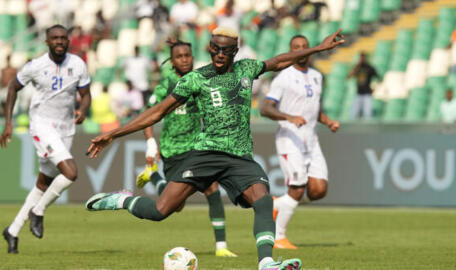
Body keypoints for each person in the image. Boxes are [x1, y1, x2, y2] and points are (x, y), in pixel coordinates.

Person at [85, 27, 344, 270]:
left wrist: (318, 49)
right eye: (216, 49)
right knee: (161, 211)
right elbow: (157, 112)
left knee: (263, 200)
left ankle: (266, 263)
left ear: (235, 51)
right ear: (209, 49)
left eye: (226, 50)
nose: (220, 54)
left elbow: (278, 61)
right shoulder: (196, 79)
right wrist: (113, 134)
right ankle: (121, 199)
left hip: (239, 157)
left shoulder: (246, 69)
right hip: (206, 154)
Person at [136, 39, 237, 257]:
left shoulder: (201, 80)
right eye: (179, 56)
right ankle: (153, 176)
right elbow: (147, 115)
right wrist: (150, 142)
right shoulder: (166, 85)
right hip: (173, 150)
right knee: (174, 206)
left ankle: (221, 247)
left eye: (188, 55)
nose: (184, 59)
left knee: (212, 187)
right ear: (172, 61)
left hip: (196, 147)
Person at [0, 24, 91, 254]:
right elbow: (13, 87)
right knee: (71, 173)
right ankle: (37, 212)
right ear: (47, 42)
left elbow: (86, 94)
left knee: (43, 184)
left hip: (65, 128)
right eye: (55, 38)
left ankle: (13, 230)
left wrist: (84, 109)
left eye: (63, 38)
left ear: (68, 41)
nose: (60, 41)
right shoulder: (36, 66)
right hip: (42, 125)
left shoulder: (78, 64)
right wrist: (8, 123)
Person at [260, 35, 340, 250]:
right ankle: (279, 237)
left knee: (318, 190)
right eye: (297, 47)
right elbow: (265, 108)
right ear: (291, 50)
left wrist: (328, 121)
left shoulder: (316, 76)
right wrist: (289, 117)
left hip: (311, 140)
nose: (302, 50)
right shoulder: (284, 77)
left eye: (305, 47)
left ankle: (276, 204)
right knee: (297, 189)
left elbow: (313, 108)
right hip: (290, 139)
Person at [348, 52, 380, 120]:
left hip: (367, 94)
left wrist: (375, 88)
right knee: (354, 114)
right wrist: (357, 66)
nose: (362, 59)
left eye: (363, 57)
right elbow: (349, 76)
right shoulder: (357, 67)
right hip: (358, 94)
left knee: (368, 114)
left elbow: (379, 78)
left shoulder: (369, 68)